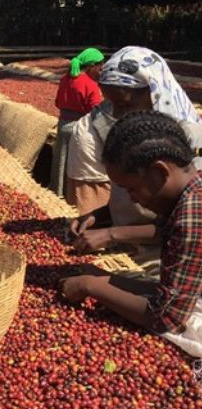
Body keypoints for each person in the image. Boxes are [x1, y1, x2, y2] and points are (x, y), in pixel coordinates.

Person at [61, 111, 202, 357]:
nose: (131, 199)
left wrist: (90, 285)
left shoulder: (192, 214)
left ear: (160, 172)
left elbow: (166, 317)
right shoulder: (192, 191)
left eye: (131, 189)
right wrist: (105, 278)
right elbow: (167, 292)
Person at [66, 46, 202, 262]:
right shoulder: (130, 137)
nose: (117, 114)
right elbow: (135, 201)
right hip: (129, 250)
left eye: (124, 104)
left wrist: (113, 234)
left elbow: (188, 221)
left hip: (167, 259)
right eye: (112, 105)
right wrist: (99, 216)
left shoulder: (189, 139)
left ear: (155, 92)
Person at [50, 47, 104, 196]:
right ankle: (72, 195)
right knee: (76, 163)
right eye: (100, 68)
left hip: (63, 125)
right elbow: (96, 111)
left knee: (61, 160)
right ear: (92, 66)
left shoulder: (65, 79)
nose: (101, 72)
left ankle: (57, 192)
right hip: (80, 127)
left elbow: (57, 103)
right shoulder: (90, 84)